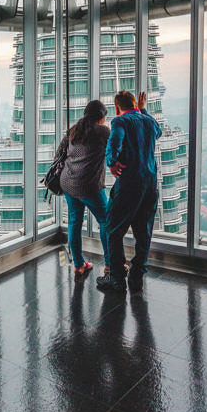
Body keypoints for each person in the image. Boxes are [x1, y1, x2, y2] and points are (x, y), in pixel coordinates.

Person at [97, 90, 162, 294]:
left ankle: (116, 279)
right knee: (143, 234)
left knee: (113, 230)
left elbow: (113, 145)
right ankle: (136, 278)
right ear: (136, 104)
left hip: (129, 185)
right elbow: (157, 132)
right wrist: (143, 110)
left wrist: (111, 162)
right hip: (150, 185)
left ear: (117, 108)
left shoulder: (119, 122)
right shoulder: (149, 122)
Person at [57, 99, 112, 276]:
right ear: (101, 117)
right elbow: (115, 149)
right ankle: (110, 264)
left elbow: (59, 153)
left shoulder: (74, 130)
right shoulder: (103, 131)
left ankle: (79, 265)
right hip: (88, 185)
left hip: (68, 182)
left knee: (75, 221)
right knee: (106, 221)